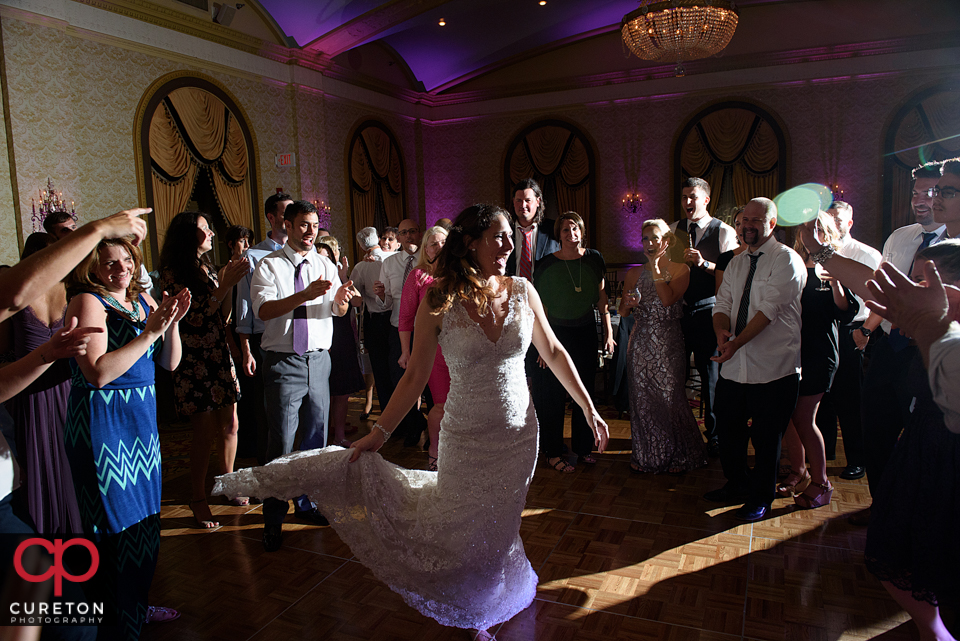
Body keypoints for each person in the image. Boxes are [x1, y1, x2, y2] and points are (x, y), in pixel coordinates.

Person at [215, 203, 608, 638]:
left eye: (508, 237)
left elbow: (552, 351)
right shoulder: (439, 299)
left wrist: (588, 408)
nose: (507, 244)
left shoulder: (523, 290)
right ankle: (473, 604)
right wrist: (377, 436)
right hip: (464, 435)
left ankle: (489, 591)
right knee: (467, 521)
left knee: (500, 521)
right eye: (497, 236)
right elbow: (415, 376)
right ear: (472, 243)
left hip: (518, 435)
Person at [64, 235, 189, 640]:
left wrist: (171, 325)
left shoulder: (143, 302)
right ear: (93, 269)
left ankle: (134, 606)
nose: (121, 269)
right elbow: (98, 373)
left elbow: (170, 363)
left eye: (127, 261)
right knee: (112, 530)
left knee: (144, 527)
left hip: (141, 425)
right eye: (110, 263)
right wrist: (151, 332)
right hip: (104, 427)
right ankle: (115, 622)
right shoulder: (88, 302)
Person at [858, 247, 960, 641]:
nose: (910, 290)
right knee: (897, 551)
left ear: (948, 289)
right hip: (923, 448)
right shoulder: (932, 327)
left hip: (948, 458)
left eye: (920, 282)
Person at [251, 200, 354, 552]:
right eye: (303, 225)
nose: (310, 232)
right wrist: (302, 296)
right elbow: (264, 311)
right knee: (281, 443)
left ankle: (307, 504)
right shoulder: (269, 266)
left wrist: (341, 299)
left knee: (316, 438)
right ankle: (273, 518)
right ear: (288, 226)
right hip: (283, 362)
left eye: (314, 225)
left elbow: (336, 311)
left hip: (319, 360)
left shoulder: (324, 263)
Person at [703, 197, 805, 522]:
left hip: (773, 370)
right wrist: (722, 333)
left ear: (771, 224)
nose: (748, 226)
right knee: (729, 433)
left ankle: (761, 498)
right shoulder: (735, 263)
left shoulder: (786, 260)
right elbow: (722, 303)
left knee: (765, 440)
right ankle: (736, 484)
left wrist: (736, 343)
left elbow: (767, 312)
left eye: (755, 221)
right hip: (734, 367)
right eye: (744, 220)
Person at [158, 211, 249, 527]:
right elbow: (195, 317)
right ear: (187, 235)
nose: (211, 232)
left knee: (231, 423)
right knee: (204, 430)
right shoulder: (173, 273)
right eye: (204, 228)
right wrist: (224, 285)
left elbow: (219, 315)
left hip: (218, 352)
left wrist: (228, 284)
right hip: (193, 358)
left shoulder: (208, 268)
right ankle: (197, 497)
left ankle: (228, 483)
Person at [0, 233, 82, 534]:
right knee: (66, 456)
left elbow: (3, 346)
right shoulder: (72, 291)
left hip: (29, 389)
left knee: (37, 463)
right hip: (63, 387)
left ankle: (44, 533)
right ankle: (74, 532)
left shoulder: (19, 297)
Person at [776, 212, 858, 509]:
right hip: (790, 350)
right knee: (788, 414)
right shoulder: (793, 263)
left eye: (815, 229)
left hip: (820, 352)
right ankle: (799, 471)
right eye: (804, 228)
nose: (808, 233)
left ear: (826, 232)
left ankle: (823, 484)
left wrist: (836, 282)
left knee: (804, 418)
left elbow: (846, 312)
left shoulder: (834, 264)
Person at [620, 219, 706, 474]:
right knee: (643, 400)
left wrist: (656, 270)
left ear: (666, 241)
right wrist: (628, 305)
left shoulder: (681, 269)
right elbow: (623, 311)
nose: (649, 243)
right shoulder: (634, 272)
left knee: (671, 399)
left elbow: (667, 300)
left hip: (668, 345)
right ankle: (650, 456)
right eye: (645, 239)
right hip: (640, 344)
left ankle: (682, 453)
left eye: (654, 238)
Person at [532, 211, 614, 473]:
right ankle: (553, 451)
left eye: (575, 228)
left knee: (585, 391)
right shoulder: (545, 264)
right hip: (555, 333)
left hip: (586, 331)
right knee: (552, 396)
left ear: (582, 231)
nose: (571, 234)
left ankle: (584, 448)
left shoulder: (594, 259)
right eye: (566, 230)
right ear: (559, 235)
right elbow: (540, 309)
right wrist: (543, 345)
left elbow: (602, 300)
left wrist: (609, 334)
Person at [670, 177, 739, 458]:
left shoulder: (723, 232)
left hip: (708, 312)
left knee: (711, 379)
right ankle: (679, 434)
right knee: (675, 375)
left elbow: (733, 275)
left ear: (706, 199)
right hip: (678, 312)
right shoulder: (674, 230)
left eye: (693, 197)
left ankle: (715, 437)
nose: (687, 202)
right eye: (684, 197)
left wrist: (704, 263)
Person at [815, 201, 881, 480]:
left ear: (849, 223)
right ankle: (823, 453)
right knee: (823, 396)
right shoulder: (816, 254)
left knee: (850, 400)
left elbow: (879, 298)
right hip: (823, 329)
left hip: (853, 330)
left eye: (837, 220)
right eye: (827, 218)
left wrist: (864, 332)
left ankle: (857, 458)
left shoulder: (866, 254)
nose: (832, 224)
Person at [235, 192, 293, 465]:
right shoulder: (254, 255)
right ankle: (268, 472)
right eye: (285, 213)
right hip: (264, 339)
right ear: (272, 217)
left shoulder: (308, 251)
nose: (292, 218)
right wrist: (246, 349)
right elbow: (245, 306)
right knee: (267, 411)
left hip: (298, 338)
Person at [398, 225, 449, 471]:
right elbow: (405, 317)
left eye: (443, 243)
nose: (438, 247)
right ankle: (435, 450)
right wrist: (406, 351)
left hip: (460, 347)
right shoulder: (418, 276)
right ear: (425, 249)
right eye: (433, 244)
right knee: (439, 404)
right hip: (432, 351)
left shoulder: (460, 274)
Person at [376, 218, 429, 446]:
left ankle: (435, 431)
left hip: (427, 329)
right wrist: (381, 297)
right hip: (399, 329)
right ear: (398, 237)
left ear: (420, 234)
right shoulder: (389, 263)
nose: (408, 236)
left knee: (429, 381)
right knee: (401, 379)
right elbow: (386, 304)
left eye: (413, 231)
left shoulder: (429, 260)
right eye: (404, 232)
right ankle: (414, 424)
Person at [316, 236, 364, 448]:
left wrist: (343, 279)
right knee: (321, 392)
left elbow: (358, 301)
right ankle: (322, 436)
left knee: (342, 390)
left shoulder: (341, 278)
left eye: (329, 255)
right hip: (320, 336)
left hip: (341, 336)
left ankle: (339, 435)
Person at [350, 226, 393, 421]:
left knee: (380, 372)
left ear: (360, 246)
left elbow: (353, 296)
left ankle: (387, 417)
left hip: (375, 322)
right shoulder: (392, 259)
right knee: (399, 370)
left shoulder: (361, 267)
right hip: (396, 320)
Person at [714, 206, 746, 291]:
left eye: (745, 223)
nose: (741, 229)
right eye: (738, 224)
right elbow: (720, 295)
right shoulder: (724, 259)